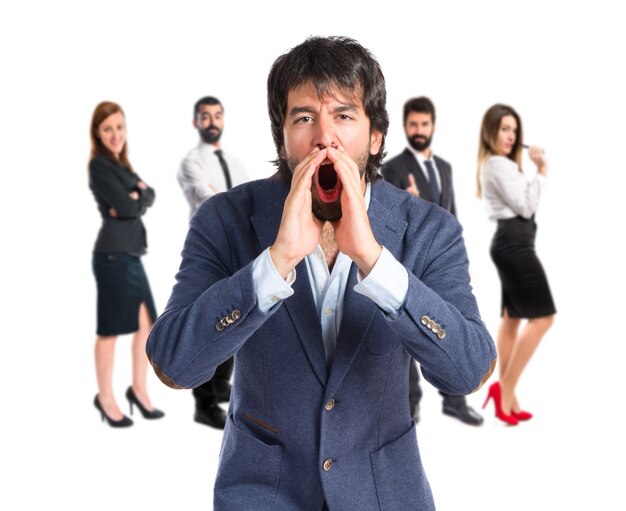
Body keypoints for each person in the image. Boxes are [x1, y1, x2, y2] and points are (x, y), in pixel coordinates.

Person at [147, 37, 495, 510]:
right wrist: (275, 262)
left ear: (375, 138)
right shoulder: (223, 219)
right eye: (305, 117)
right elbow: (173, 365)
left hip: (385, 493)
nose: (324, 137)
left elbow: (470, 370)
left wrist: (375, 261)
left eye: (345, 115)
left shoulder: (431, 230)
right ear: (283, 138)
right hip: (262, 493)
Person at [382, 96, 483, 426]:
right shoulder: (393, 168)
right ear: (405, 126)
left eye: (424, 124)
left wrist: (458, 257)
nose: (419, 130)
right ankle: (407, 404)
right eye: (413, 124)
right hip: (406, 264)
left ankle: (454, 401)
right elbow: (387, 218)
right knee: (408, 328)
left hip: (440, 262)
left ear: (433, 126)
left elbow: (448, 215)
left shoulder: (444, 168)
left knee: (451, 323)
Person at [476, 104, 555, 426]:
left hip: (515, 242)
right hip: (514, 243)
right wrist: (542, 172)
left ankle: (507, 395)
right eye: (504, 129)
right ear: (491, 131)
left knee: (512, 318)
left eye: (513, 130)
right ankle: (504, 388)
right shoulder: (496, 164)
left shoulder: (503, 164)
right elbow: (526, 206)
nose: (510, 135)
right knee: (543, 318)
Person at [88, 101, 164, 427]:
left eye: (119, 127)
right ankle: (105, 398)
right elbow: (129, 206)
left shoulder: (122, 165)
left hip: (131, 254)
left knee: (148, 325)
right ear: (98, 133)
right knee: (110, 330)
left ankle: (139, 389)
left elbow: (149, 196)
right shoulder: (99, 166)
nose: (115, 134)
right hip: (112, 257)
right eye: (108, 129)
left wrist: (136, 197)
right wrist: (134, 198)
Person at [177, 96, 249, 429]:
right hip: (210, 252)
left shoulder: (234, 163)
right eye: (205, 116)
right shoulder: (192, 163)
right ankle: (204, 404)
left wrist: (224, 196)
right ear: (196, 122)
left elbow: (249, 201)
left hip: (238, 250)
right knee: (210, 323)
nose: (211, 121)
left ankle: (221, 385)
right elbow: (209, 201)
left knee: (237, 318)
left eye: (216, 116)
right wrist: (226, 199)